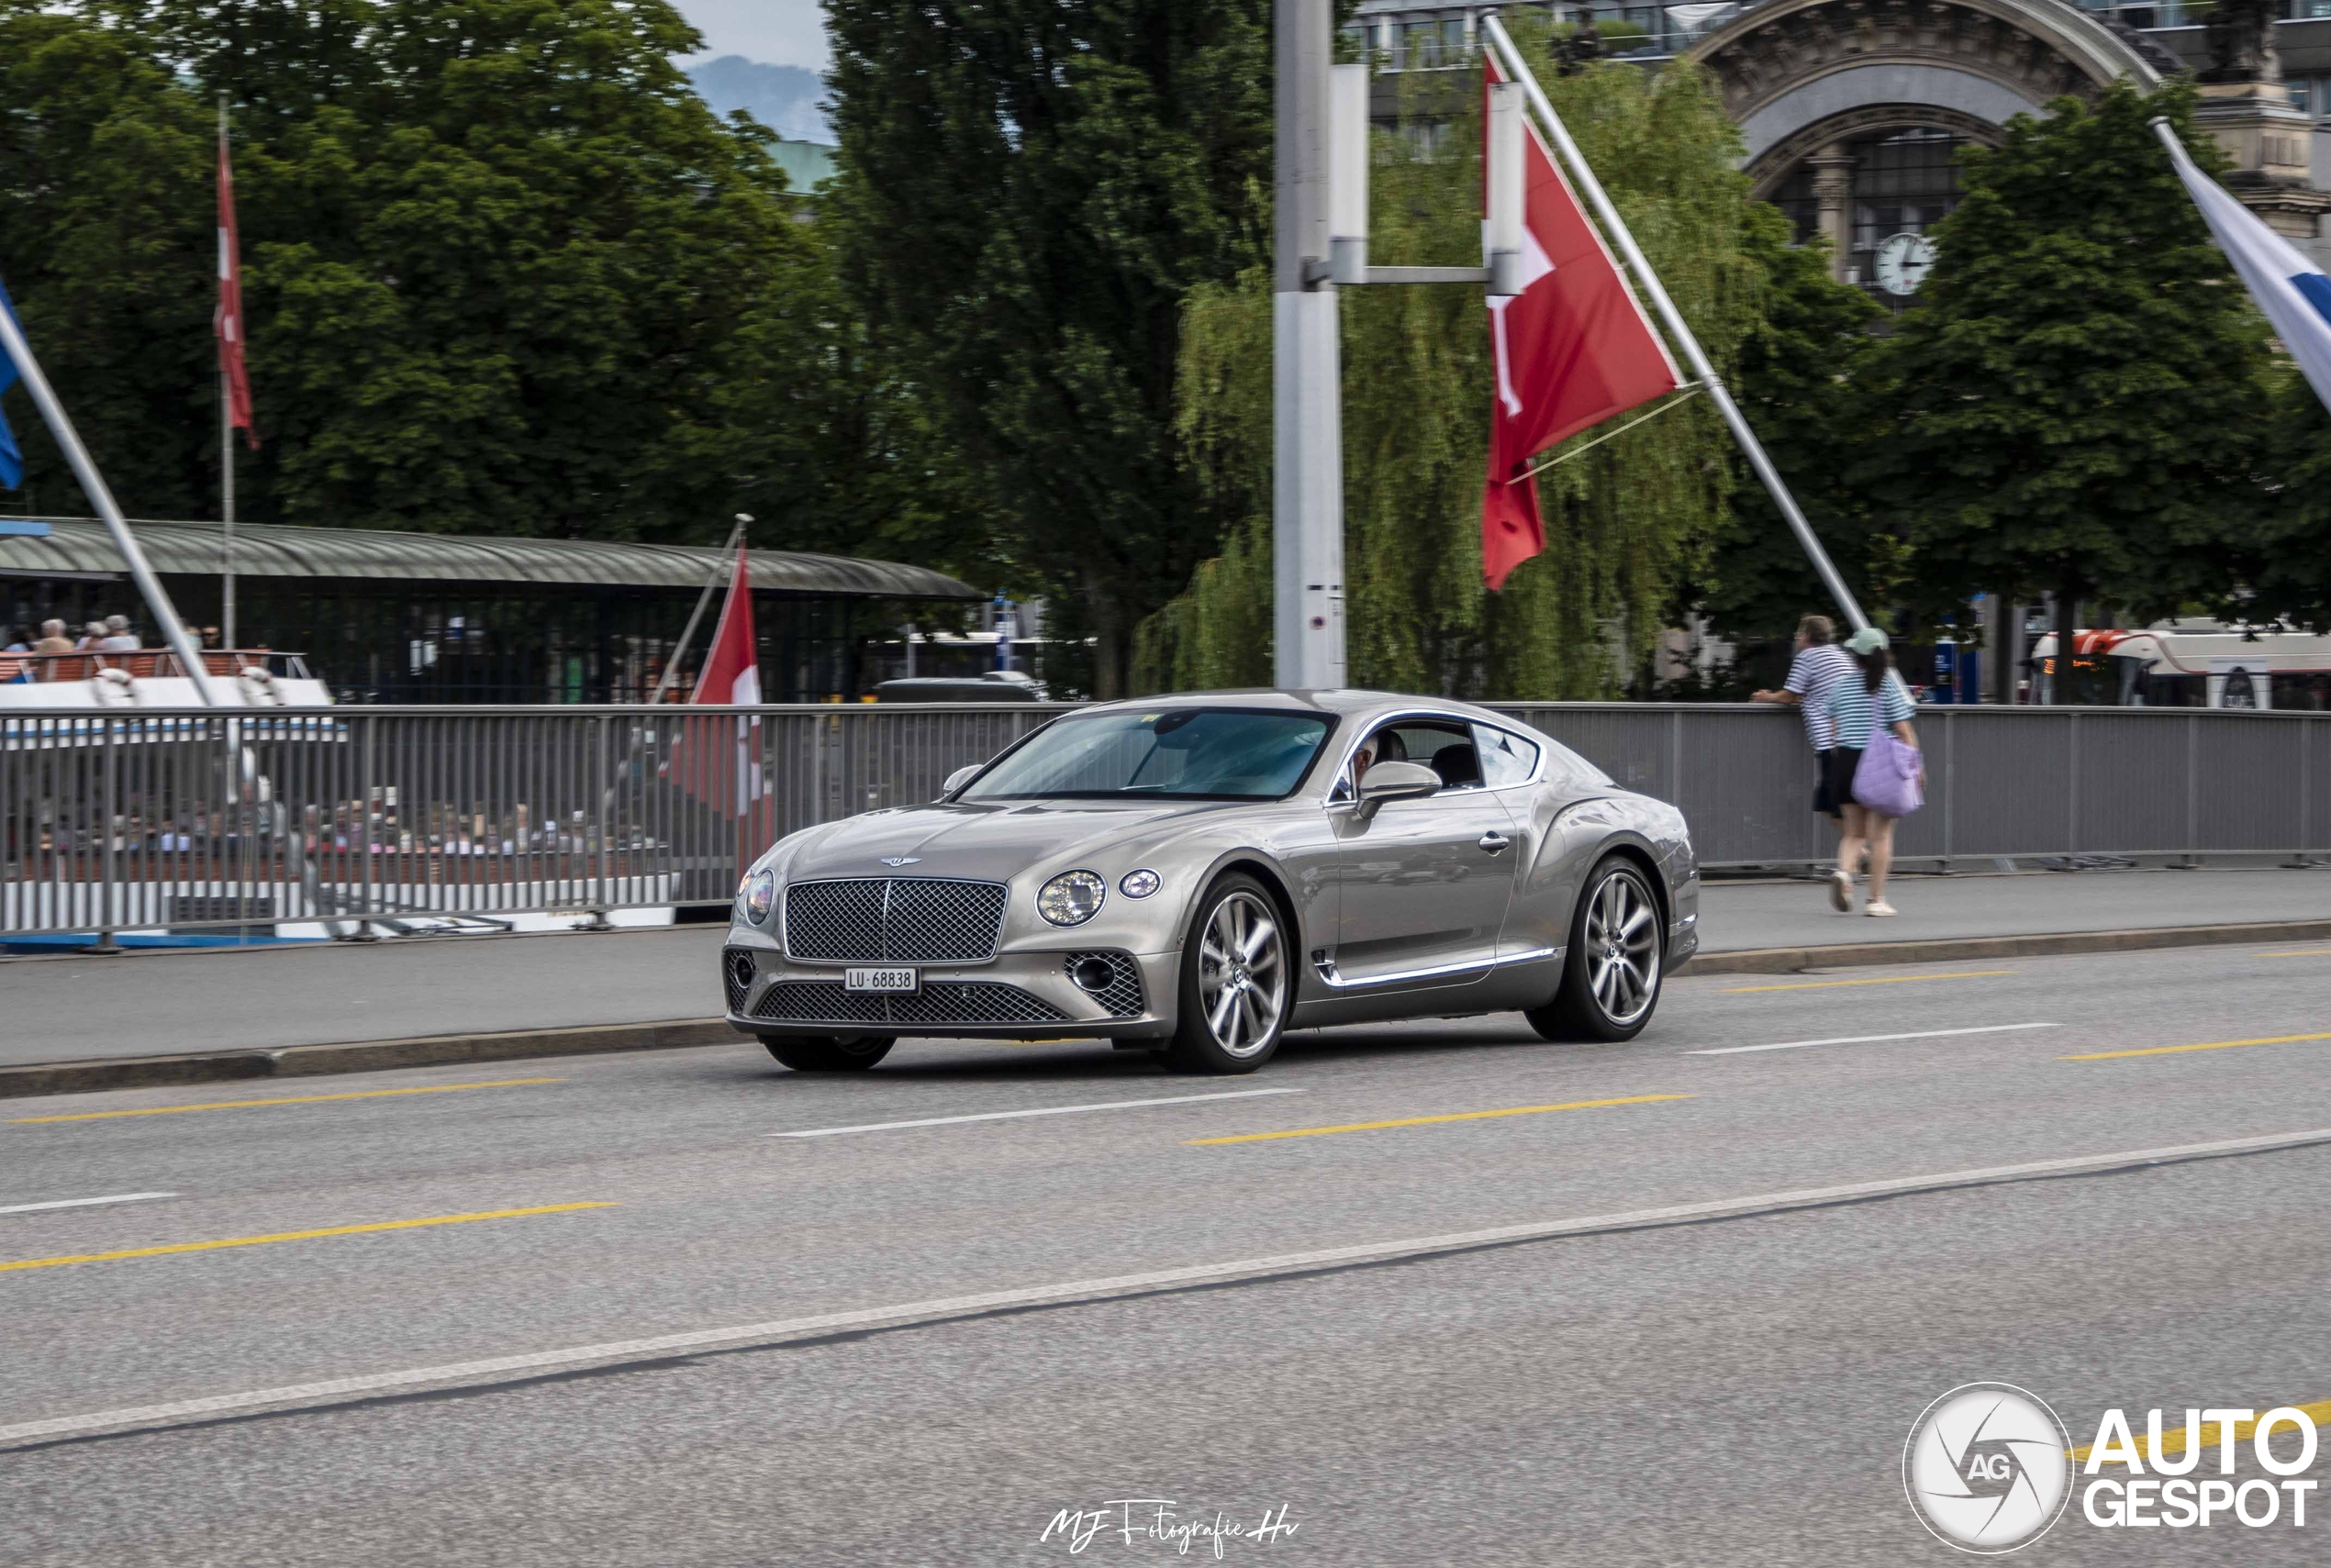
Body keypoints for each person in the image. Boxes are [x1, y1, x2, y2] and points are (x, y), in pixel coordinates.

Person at [1821, 626, 1923, 917]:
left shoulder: (1840, 687)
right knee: (1880, 836)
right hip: (1879, 764)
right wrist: (1916, 769)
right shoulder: (1889, 686)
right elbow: (1904, 732)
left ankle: (1844, 873)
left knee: (1853, 833)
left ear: (1856, 657)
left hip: (1845, 763)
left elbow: (1833, 731)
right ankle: (1876, 900)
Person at [1752, 614, 1856, 830]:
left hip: (1831, 742)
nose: (1797, 638)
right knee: (1837, 801)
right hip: (1853, 739)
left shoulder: (1808, 657)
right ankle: (1858, 853)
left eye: (1799, 633)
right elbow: (1823, 690)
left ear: (1806, 635)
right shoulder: (1842, 656)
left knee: (1831, 802)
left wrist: (1766, 697)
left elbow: (1789, 695)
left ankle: (1859, 853)